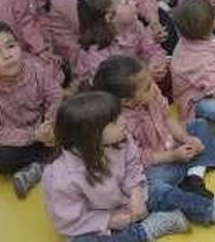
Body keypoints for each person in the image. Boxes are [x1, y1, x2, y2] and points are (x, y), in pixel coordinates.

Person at [91, 56, 215, 237]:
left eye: (151, 81)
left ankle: (193, 178)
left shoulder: (153, 93)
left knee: (200, 126)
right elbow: (138, 160)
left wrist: (186, 138)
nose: (154, 87)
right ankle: (200, 189)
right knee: (152, 187)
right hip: (156, 166)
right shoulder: (118, 124)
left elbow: (167, 118)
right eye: (147, 87)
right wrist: (172, 156)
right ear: (127, 101)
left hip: (171, 148)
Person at [42, 91, 192, 242]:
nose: (123, 121)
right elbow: (68, 221)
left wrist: (136, 194)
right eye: (115, 120)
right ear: (92, 134)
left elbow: (133, 166)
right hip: (95, 224)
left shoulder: (121, 140)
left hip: (126, 202)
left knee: (160, 189)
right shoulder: (59, 177)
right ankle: (148, 229)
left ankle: (211, 208)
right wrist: (109, 220)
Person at [0, 20, 63, 198]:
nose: (7, 55)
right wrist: (35, 135)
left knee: (72, 115)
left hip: (42, 126)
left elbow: (55, 96)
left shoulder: (35, 67)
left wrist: (50, 124)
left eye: (10, 46)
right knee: (2, 158)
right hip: (10, 138)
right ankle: (48, 161)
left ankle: (43, 161)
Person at [75, 0, 168, 88]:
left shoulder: (135, 25)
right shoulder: (95, 54)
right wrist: (144, 75)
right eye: (126, 3)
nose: (134, 2)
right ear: (110, 17)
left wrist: (156, 62)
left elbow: (152, 48)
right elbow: (112, 87)